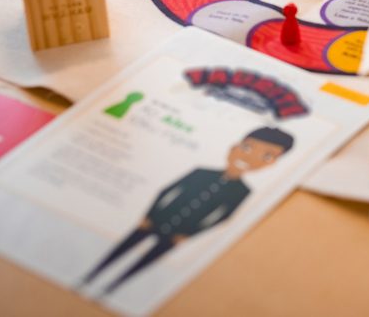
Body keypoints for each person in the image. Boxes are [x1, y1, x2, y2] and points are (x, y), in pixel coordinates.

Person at [80, 126, 294, 295]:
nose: (251, 158)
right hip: (155, 219)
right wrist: (148, 214)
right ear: (234, 147)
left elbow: (223, 217)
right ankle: (90, 275)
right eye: (248, 148)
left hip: (180, 232)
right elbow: (167, 191)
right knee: (122, 248)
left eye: (267, 156)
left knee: (145, 262)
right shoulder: (201, 172)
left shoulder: (243, 191)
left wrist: (190, 235)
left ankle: (113, 288)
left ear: (272, 164)